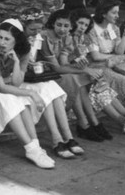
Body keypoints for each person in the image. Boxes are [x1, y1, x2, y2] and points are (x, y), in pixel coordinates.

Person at [0, 20, 56, 169]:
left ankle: (35, 147)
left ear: (17, 39)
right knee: (8, 99)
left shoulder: (24, 50)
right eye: (0, 37)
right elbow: (2, 88)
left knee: (20, 99)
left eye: (7, 39)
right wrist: (32, 94)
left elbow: (16, 83)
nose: (2, 42)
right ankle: (30, 148)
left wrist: (15, 62)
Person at [20, 8, 86, 156]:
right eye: (32, 29)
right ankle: (56, 139)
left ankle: (68, 137)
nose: (36, 32)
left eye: (39, 28)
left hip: (37, 76)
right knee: (48, 91)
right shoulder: (22, 39)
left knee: (52, 91)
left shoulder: (38, 38)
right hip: (22, 78)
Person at [40, 9, 110, 142]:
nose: (62, 29)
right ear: (52, 24)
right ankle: (84, 123)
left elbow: (64, 63)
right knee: (74, 78)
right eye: (59, 25)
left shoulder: (67, 38)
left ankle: (91, 122)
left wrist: (80, 65)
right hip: (44, 74)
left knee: (80, 78)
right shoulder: (45, 38)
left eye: (66, 26)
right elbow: (57, 68)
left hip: (56, 72)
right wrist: (84, 70)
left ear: (71, 27)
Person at [70, 10, 125, 135]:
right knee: (97, 90)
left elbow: (83, 60)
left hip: (84, 70)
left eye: (85, 25)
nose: (82, 27)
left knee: (103, 87)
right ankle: (123, 120)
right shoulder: (69, 38)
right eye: (80, 23)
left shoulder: (81, 37)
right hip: (75, 72)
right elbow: (70, 61)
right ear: (73, 23)